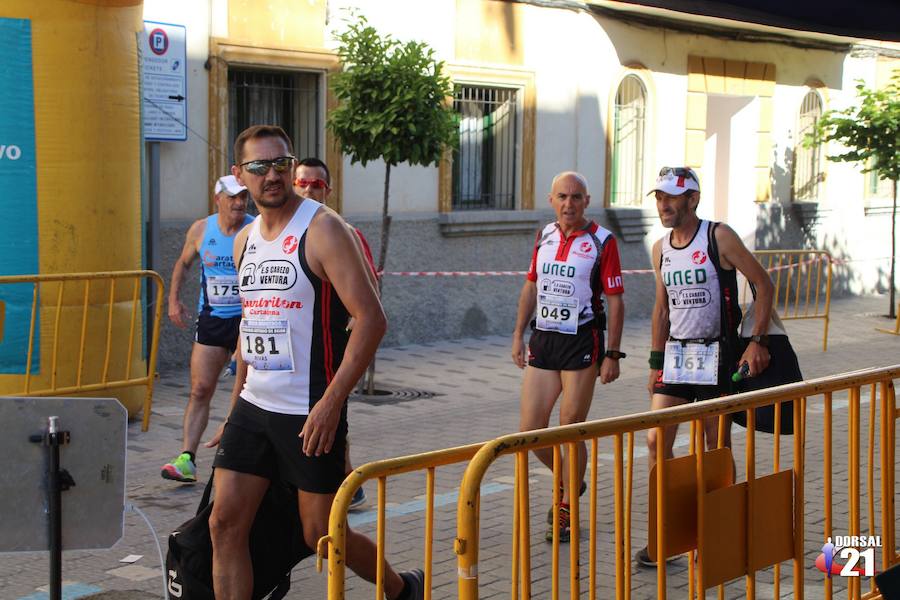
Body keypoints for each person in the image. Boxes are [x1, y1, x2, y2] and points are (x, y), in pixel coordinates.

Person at [206, 125, 423, 600]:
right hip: (253, 406)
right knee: (223, 524)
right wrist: (233, 407)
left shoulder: (322, 228)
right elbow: (251, 327)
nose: (272, 175)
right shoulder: (244, 241)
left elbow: (371, 319)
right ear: (239, 175)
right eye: (259, 167)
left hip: (309, 409)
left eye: (281, 163)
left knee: (319, 534)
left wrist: (331, 403)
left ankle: (401, 587)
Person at [636, 166, 774, 567]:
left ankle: (713, 531)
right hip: (678, 357)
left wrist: (757, 342)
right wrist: (655, 361)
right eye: (659, 197)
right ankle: (668, 532)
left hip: (719, 354)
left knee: (714, 448)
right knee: (654, 440)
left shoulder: (719, 236)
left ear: (692, 199)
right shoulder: (661, 247)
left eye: (671, 197)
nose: (663, 204)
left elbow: (763, 284)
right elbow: (662, 307)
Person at [511, 171, 625, 543]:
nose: (568, 204)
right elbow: (531, 285)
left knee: (568, 428)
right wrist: (517, 333)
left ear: (586, 201)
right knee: (530, 432)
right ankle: (570, 482)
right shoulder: (544, 235)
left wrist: (613, 354)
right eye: (562, 196)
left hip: (582, 341)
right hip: (544, 339)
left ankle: (566, 508)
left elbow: (616, 300)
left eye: (576, 197)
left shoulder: (602, 241)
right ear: (551, 199)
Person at [293, 156, 377, 511]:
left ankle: (343, 482)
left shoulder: (344, 233)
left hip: (328, 350)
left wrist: (355, 327)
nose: (310, 189)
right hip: (285, 356)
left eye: (318, 185)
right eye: (304, 183)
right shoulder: (276, 231)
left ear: (328, 189)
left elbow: (371, 299)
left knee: (326, 418)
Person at [161, 175, 253, 483]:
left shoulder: (256, 228)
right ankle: (187, 458)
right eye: (232, 197)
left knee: (243, 393)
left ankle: (234, 456)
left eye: (243, 197)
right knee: (200, 389)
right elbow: (184, 264)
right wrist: (173, 300)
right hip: (212, 318)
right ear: (218, 199)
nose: (239, 203)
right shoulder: (202, 229)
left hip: (249, 320)